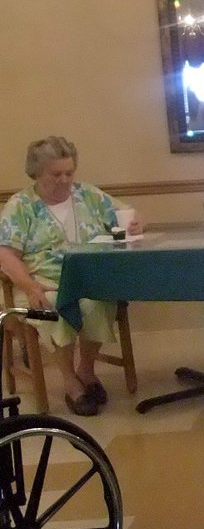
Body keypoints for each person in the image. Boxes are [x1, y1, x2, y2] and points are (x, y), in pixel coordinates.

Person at [0, 137, 146, 416]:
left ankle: (86, 371)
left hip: (88, 278)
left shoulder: (87, 195)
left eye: (69, 172)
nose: (65, 180)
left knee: (97, 302)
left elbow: (128, 214)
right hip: (42, 281)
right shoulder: (21, 205)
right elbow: (6, 255)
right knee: (55, 306)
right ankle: (72, 385)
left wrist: (137, 222)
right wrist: (30, 287)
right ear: (37, 173)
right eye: (56, 174)